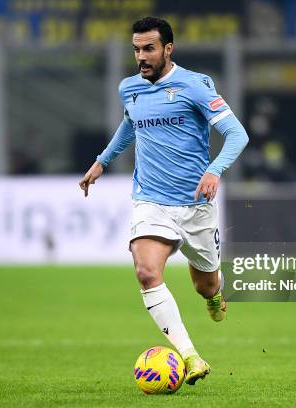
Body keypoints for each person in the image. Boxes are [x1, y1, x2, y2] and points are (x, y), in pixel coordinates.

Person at [79, 17, 248, 385]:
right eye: (136, 49)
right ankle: (190, 357)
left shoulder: (196, 86)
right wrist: (102, 161)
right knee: (145, 271)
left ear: (168, 49)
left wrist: (214, 169)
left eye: (149, 48)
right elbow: (130, 124)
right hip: (151, 200)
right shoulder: (130, 88)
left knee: (205, 284)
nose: (141, 56)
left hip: (196, 204)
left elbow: (237, 134)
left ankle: (215, 295)